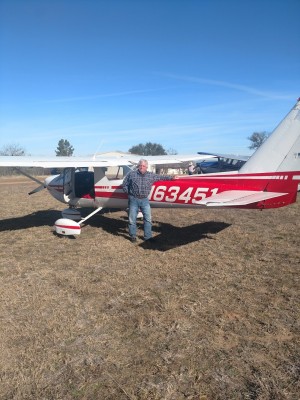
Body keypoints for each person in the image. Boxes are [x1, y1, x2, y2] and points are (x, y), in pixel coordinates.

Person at [122, 159, 174, 243]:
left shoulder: (151, 175)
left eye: (144, 166)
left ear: (146, 167)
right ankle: (133, 236)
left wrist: (171, 178)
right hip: (133, 199)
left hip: (145, 200)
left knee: (148, 219)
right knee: (132, 219)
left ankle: (148, 237)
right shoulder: (131, 174)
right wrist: (128, 193)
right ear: (138, 166)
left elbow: (161, 177)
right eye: (140, 165)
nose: (142, 167)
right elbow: (124, 184)